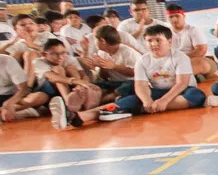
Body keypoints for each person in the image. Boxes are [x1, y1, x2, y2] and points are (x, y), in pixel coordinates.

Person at [52, 25, 207, 129]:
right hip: (156, 93)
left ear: (169, 41)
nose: (153, 44)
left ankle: (131, 109)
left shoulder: (180, 58)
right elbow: (140, 85)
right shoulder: (143, 60)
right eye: (149, 41)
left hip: (182, 91)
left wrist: (164, 101)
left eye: (158, 40)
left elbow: (181, 84)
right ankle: (78, 117)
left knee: (197, 95)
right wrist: (147, 100)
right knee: (134, 98)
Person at [34, 39, 102, 122]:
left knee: (71, 68)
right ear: (44, 54)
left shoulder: (69, 59)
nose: (60, 57)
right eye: (54, 54)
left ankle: (80, 94)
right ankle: (68, 102)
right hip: (50, 92)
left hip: (72, 90)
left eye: (63, 53)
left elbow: (83, 75)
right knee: (58, 69)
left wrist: (83, 85)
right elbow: (52, 77)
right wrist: (76, 81)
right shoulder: (38, 62)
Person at [90, 25, 140, 102]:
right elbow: (104, 77)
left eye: (95, 39)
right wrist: (102, 67)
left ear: (102, 41)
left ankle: (106, 99)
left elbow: (135, 73)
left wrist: (115, 67)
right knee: (94, 84)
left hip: (130, 82)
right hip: (113, 82)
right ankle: (101, 97)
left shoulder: (128, 52)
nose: (94, 42)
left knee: (130, 85)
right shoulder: (101, 53)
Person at [166, 4, 215, 80]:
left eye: (177, 16)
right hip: (174, 63)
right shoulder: (165, 33)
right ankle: (190, 76)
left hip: (194, 60)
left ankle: (178, 77)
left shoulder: (193, 30)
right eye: (171, 17)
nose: (174, 19)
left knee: (200, 63)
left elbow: (201, 51)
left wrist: (178, 59)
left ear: (183, 16)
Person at [0, 53, 39, 123]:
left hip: (14, 96)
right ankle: (19, 113)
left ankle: (11, 110)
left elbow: (24, 89)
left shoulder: (7, 60)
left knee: (41, 96)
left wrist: (9, 103)